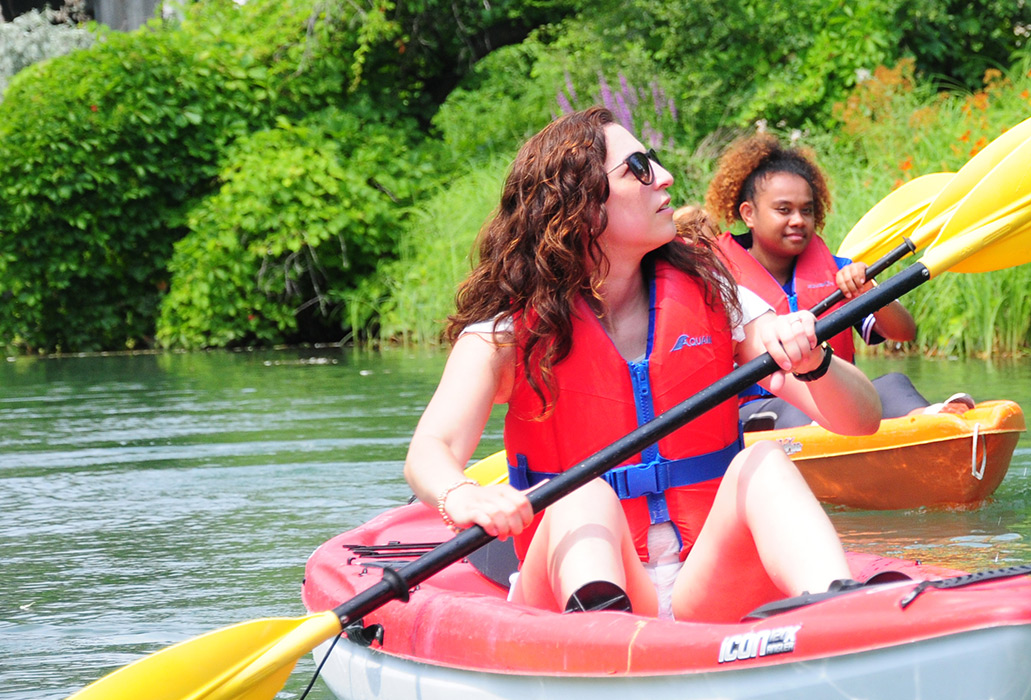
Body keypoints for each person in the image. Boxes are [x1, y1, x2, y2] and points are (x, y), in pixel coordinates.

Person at [401, 107, 883, 623]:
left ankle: (842, 614)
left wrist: (814, 361)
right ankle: (605, 643)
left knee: (762, 466)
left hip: (707, 585)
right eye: (638, 167)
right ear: (580, 205)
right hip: (577, 588)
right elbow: (430, 451)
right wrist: (462, 495)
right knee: (582, 493)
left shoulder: (719, 299)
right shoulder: (505, 336)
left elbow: (861, 420)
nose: (666, 176)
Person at [702, 133, 975, 431]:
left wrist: (868, 292)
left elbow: (904, 332)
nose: (798, 220)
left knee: (894, 383)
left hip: (835, 399)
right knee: (797, 409)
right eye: (784, 210)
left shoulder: (839, 272)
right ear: (749, 214)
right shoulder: (716, 276)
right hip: (761, 410)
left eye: (807, 210)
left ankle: (932, 420)